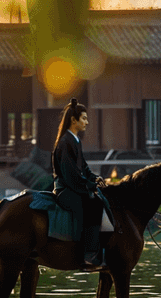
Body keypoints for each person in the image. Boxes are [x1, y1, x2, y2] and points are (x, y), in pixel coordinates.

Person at [52, 98, 108, 268]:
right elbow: (71, 175)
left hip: (74, 186)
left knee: (100, 200)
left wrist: (94, 179)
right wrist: (89, 186)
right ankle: (87, 254)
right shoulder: (64, 142)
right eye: (83, 118)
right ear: (73, 120)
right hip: (65, 189)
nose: (87, 122)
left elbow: (83, 167)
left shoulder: (75, 140)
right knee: (93, 205)